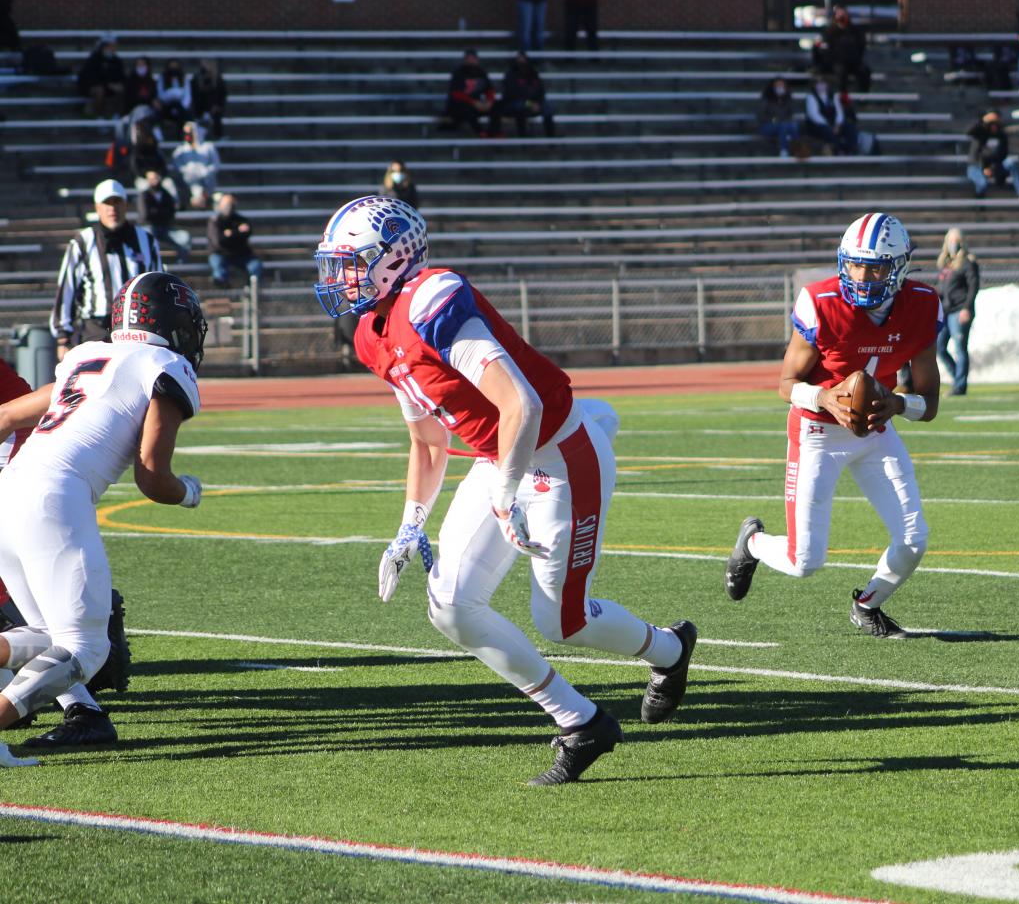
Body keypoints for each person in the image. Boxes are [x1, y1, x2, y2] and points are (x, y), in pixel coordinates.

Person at [312, 196, 697, 785]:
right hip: (501, 459)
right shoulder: (371, 332)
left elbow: (523, 402)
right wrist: (409, 525)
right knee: (451, 605)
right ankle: (581, 722)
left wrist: (507, 489)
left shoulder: (433, 299)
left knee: (562, 622)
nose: (339, 278)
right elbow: (428, 442)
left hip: (560, 452)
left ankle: (669, 651)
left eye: (351, 262)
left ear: (394, 257)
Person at [0, 273, 206, 765]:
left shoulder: (85, 355)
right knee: (86, 649)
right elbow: (153, 478)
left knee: (48, 636)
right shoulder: (166, 366)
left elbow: (6, 416)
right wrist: (190, 494)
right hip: (55, 496)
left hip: (9, 493)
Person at [724, 212, 942, 638]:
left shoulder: (922, 305)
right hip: (817, 432)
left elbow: (929, 405)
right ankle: (751, 543)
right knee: (804, 562)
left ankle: (867, 605)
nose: (862, 275)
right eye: (855, 263)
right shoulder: (821, 302)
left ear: (898, 267)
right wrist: (825, 397)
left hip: (876, 432)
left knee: (914, 540)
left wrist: (896, 404)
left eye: (875, 266)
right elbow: (786, 385)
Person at [51, 180, 163, 356]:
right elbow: (68, 289)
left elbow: (158, 286)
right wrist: (63, 336)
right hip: (96, 330)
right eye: (107, 203)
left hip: (137, 328)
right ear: (97, 208)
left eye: (117, 202)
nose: (112, 208)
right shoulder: (83, 242)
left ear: (126, 205)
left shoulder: (146, 241)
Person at [935, 228, 980, 397]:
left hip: (959, 310)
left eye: (957, 240)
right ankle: (958, 379)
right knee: (940, 347)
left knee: (960, 348)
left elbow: (973, 287)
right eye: (951, 240)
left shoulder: (968, 262)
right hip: (946, 311)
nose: (954, 244)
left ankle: (960, 386)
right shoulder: (946, 263)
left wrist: (967, 308)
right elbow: (944, 289)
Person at [206, 192, 263, 290]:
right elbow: (220, 241)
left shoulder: (241, 219)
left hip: (240, 254)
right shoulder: (215, 221)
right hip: (222, 254)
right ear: (220, 205)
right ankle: (223, 288)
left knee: (255, 266)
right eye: (227, 205)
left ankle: (251, 290)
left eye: (231, 204)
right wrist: (237, 232)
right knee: (217, 264)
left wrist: (230, 233)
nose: (229, 207)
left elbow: (246, 233)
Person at [966, 110, 1019, 198]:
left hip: (995, 166)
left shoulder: (1001, 136)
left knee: (1011, 162)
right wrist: (984, 119)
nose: (994, 126)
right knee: (983, 183)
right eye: (992, 123)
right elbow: (969, 131)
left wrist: (991, 167)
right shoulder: (980, 132)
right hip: (977, 165)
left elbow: (1003, 154)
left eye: (996, 123)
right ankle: (978, 200)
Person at [812, 5, 872, 94]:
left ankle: (863, 98)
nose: (842, 16)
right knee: (840, 71)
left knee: (864, 71)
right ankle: (842, 98)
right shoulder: (829, 31)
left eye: (843, 14)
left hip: (853, 62)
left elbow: (861, 47)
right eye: (839, 14)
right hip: (836, 63)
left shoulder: (854, 31)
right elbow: (824, 50)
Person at [444, 50, 501, 138]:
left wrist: (489, 101)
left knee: (496, 106)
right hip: (461, 104)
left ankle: (495, 132)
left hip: (477, 103)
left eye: (473, 58)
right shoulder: (459, 73)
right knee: (466, 108)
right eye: (469, 59)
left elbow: (489, 90)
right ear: (465, 60)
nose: (471, 61)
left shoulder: (481, 72)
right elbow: (456, 93)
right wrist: (473, 102)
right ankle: (480, 131)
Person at [499, 53, 557, 138]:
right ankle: (523, 140)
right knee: (520, 107)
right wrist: (530, 103)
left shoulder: (533, 73)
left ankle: (551, 141)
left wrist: (538, 103)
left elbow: (540, 91)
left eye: (523, 59)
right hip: (514, 103)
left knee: (547, 108)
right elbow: (512, 95)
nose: (521, 61)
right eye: (519, 59)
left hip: (534, 103)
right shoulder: (511, 75)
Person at [138, 169, 188, 265]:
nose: (154, 181)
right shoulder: (144, 195)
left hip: (165, 228)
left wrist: (156, 211)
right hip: (149, 227)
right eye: (151, 179)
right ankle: (148, 262)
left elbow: (171, 213)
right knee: (148, 236)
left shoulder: (166, 194)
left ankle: (180, 264)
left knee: (184, 238)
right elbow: (145, 215)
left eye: (156, 178)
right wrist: (162, 212)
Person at [170, 121, 220, 210]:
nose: (188, 135)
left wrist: (205, 171)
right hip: (188, 180)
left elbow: (215, 164)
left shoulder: (208, 146)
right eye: (186, 132)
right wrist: (189, 171)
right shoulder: (180, 150)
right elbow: (177, 165)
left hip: (206, 179)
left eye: (190, 132)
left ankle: (205, 200)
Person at [803, 76, 858, 155]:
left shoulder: (833, 96)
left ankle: (851, 150)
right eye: (818, 83)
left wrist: (838, 124)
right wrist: (829, 125)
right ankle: (840, 150)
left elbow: (839, 112)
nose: (820, 86)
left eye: (822, 83)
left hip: (834, 124)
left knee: (850, 127)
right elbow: (813, 115)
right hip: (817, 125)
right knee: (827, 131)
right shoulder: (811, 97)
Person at [76, 35, 125, 119]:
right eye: (111, 46)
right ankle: (99, 116)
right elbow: (88, 78)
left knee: (123, 89)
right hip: (93, 87)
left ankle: (117, 115)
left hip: (110, 88)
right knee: (99, 90)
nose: (113, 48)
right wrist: (108, 85)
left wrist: (118, 85)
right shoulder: (94, 59)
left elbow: (122, 77)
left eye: (114, 46)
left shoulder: (116, 61)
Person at [756, 76, 800, 158]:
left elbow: (791, 114)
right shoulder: (766, 99)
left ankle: (797, 150)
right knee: (783, 125)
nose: (780, 87)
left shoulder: (788, 99)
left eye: (781, 85)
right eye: (777, 85)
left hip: (784, 124)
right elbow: (760, 115)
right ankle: (784, 150)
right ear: (772, 87)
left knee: (793, 125)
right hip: (767, 125)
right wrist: (774, 120)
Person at [189, 59, 227, 140]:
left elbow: (223, 95)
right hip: (200, 109)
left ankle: (218, 137)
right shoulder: (196, 79)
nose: (207, 67)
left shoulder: (218, 80)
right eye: (205, 63)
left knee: (215, 116)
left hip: (214, 109)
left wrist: (217, 106)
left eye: (209, 64)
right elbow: (194, 96)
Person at [156, 58, 192, 134]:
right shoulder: (163, 77)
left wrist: (183, 107)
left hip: (181, 106)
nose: (173, 68)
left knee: (184, 114)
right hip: (167, 105)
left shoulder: (183, 77)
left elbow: (187, 95)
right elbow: (161, 94)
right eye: (172, 66)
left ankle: (183, 135)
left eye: (175, 66)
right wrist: (169, 99)